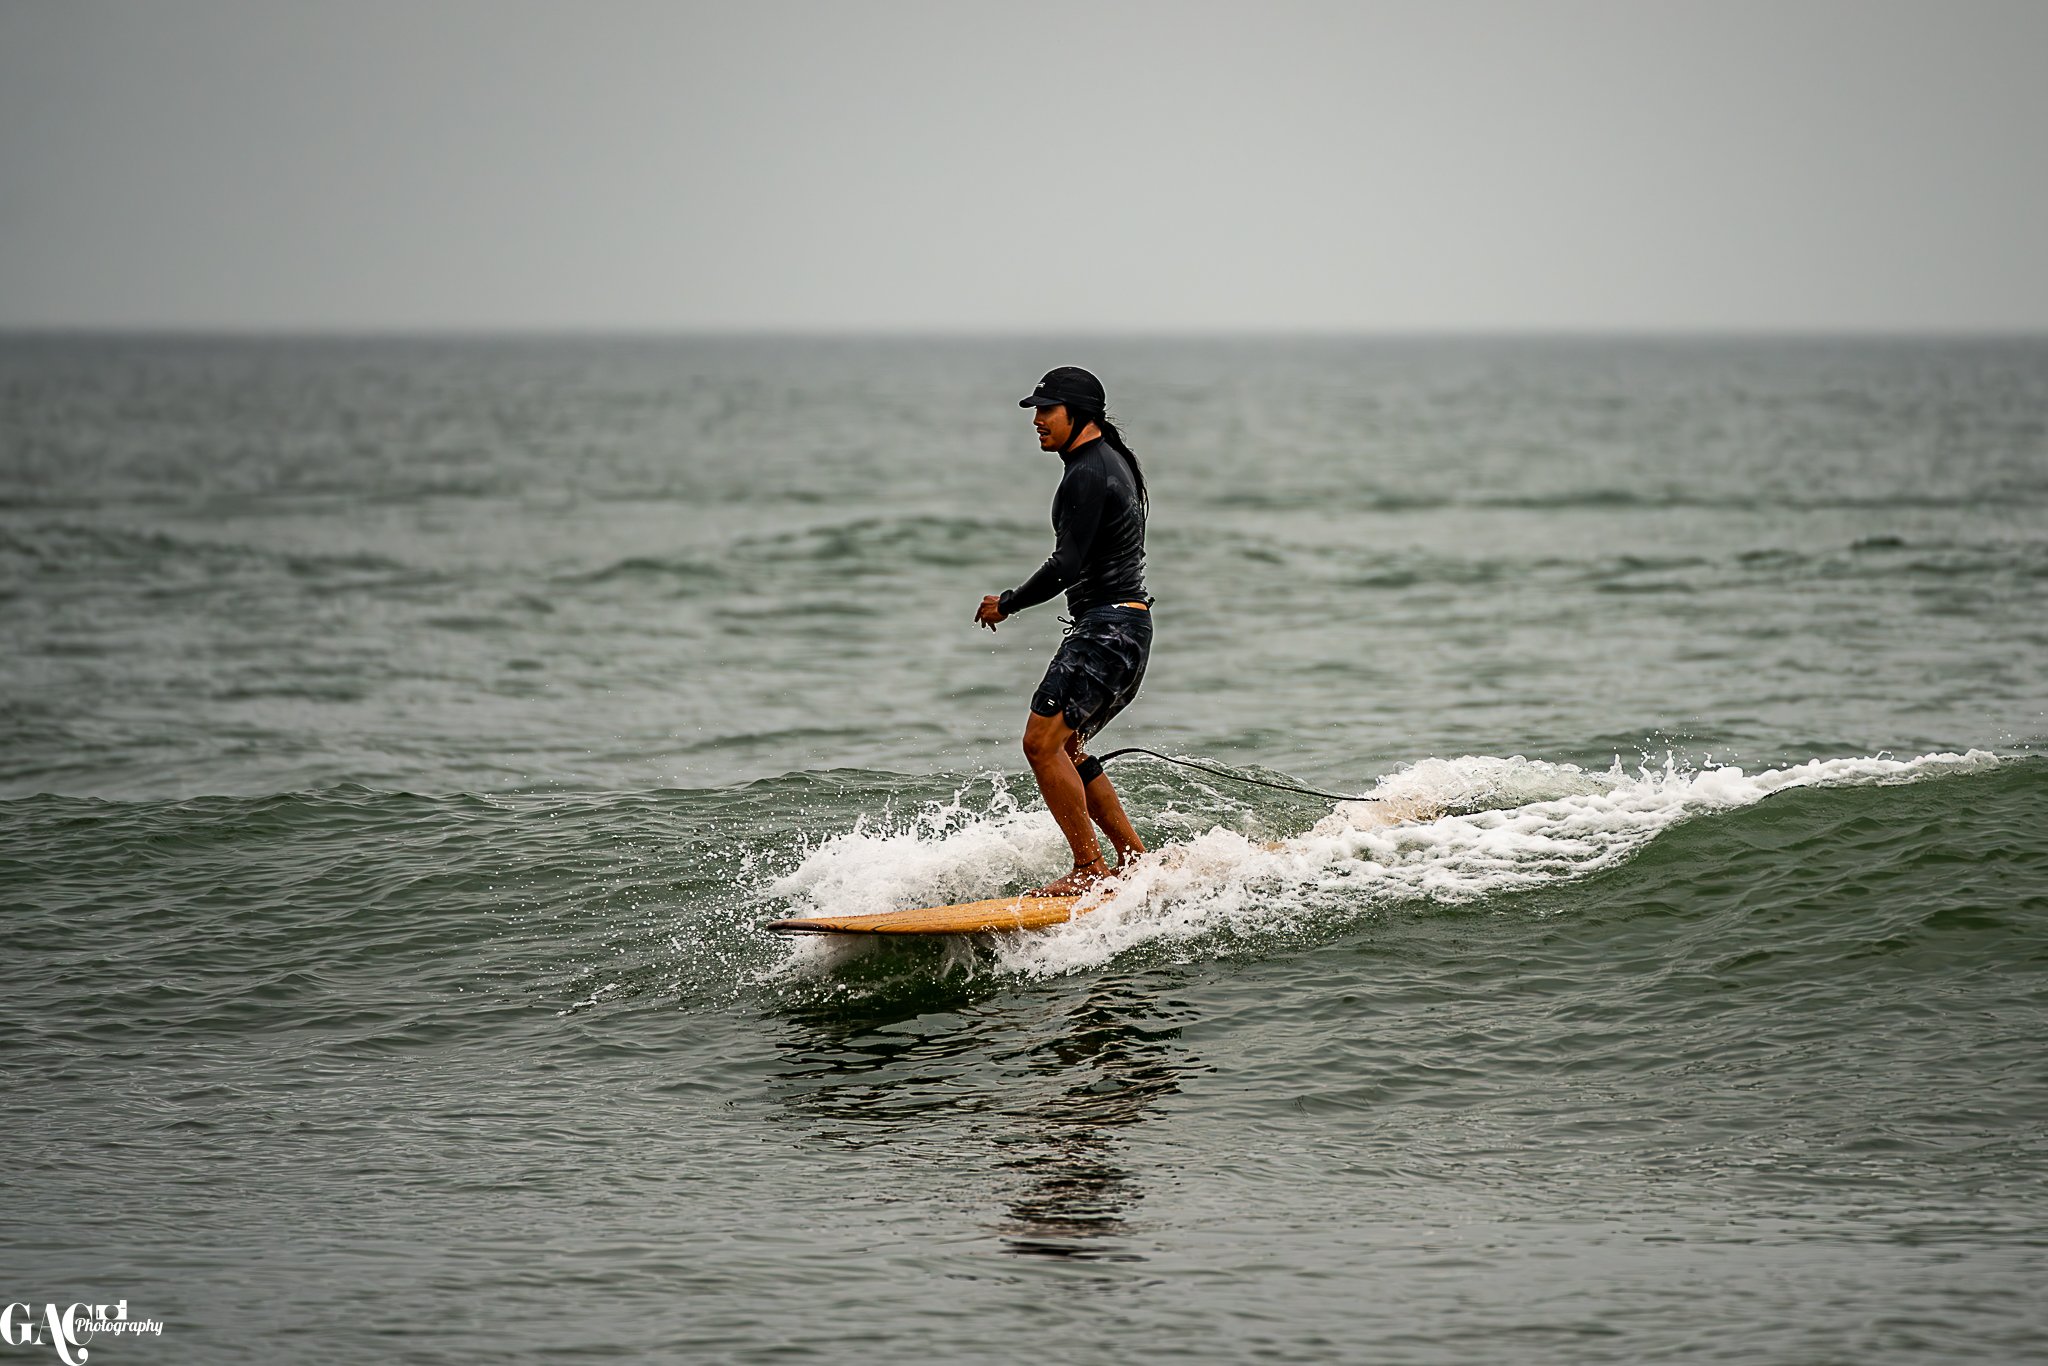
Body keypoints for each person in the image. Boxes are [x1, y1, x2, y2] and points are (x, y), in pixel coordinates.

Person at [975, 366, 1154, 896]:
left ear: (1080, 414)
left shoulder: (1089, 472)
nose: (1038, 421)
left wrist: (1007, 603)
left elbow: (1066, 565)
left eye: (1047, 411)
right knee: (1065, 746)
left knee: (1039, 743)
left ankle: (1088, 869)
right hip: (1126, 627)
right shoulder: (1109, 462)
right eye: (1036, 411)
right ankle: (1132, 859)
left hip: (1107, 631)